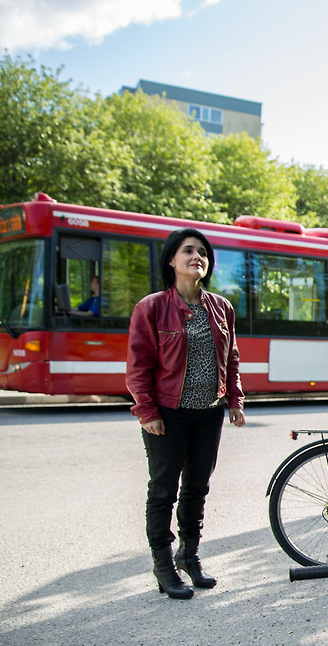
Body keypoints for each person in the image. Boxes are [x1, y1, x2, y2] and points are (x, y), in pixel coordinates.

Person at [127, 228, 245, 600]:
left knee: (197, 488)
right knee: (164, 491)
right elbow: (138, 365)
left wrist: (235, 401)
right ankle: (163, 566)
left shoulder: (221, 307)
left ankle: (189, 557)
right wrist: (147, 411)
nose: (198, 256)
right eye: (189, 251)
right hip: (168, 414)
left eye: (203, 253)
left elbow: (232, 359)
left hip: (208, 413)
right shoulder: (152, 307)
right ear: (171, 260)